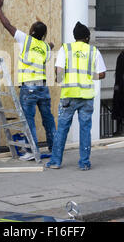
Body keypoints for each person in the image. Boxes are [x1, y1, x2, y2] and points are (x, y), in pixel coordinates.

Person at [0, 0, 56, 161]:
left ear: (32, 32)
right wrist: (50, 45)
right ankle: (55, 149)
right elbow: (48, 51)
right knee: (48, 119)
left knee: (28, 121)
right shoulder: (45, 47)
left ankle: (32, 151)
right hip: (43, 88)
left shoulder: (25, 39)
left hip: (28, 88)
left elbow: (7, 25)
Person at [45, 22, 106, 170]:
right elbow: (102, 74)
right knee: (85, 130)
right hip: (86, 97)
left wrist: (61, 79)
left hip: (68, 96)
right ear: (87, 37)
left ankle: (55, 162)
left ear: (74, 37)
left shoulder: (66, 49)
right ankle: (84, 163)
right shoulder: (93, 51)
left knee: (62, 129)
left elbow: (59, 72)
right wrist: (87, 75)